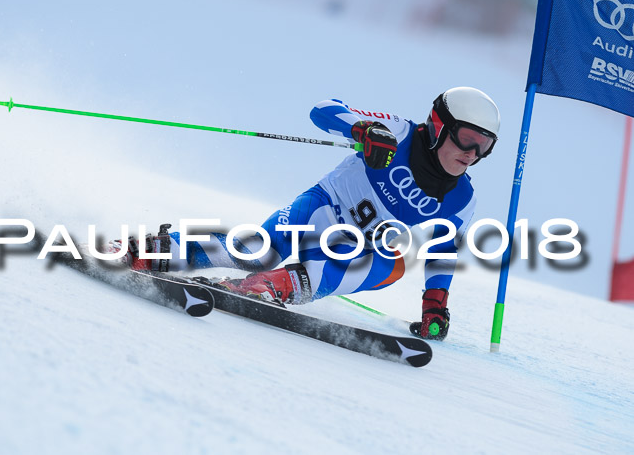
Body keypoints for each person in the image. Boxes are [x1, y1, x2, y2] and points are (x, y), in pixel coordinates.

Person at [117, 87, 500, 341]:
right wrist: (364, 130)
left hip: (364, 252)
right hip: (323, 210)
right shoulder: (398, 133)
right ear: (438, 126)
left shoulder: (462, 199)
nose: (473, 153)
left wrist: (435, 304)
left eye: (485, 146)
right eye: (467, 138)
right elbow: (323, 109)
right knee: (254, 251)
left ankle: (271, 287)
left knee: (391, 267)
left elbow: (442, 252)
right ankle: (152, 251)